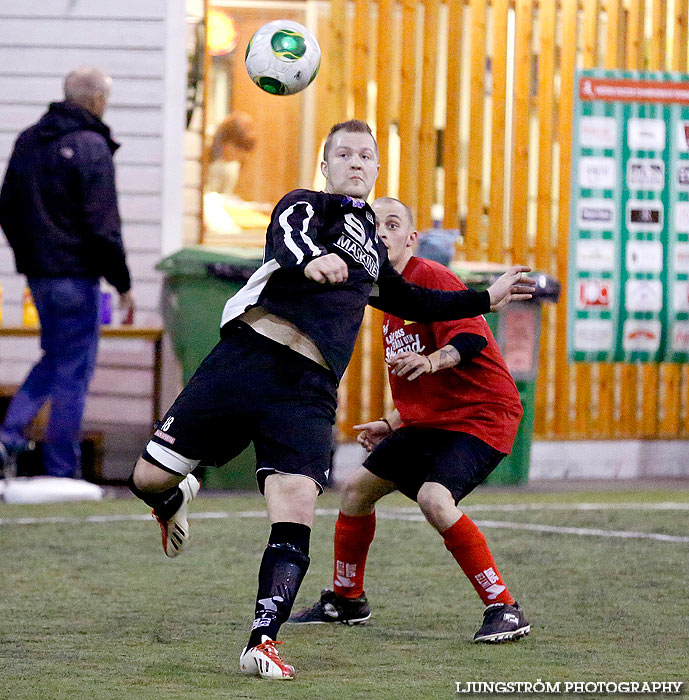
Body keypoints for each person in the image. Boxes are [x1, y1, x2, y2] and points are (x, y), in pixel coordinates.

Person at [128, 120, 534, 680]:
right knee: (146, 479)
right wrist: (309, 261)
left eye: (366, 155)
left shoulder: (371, 253)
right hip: (246, 361)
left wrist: (486, 296)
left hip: (308, 391)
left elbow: (414, 297)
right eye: (344, 154)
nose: (356, 162)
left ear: (375, 168)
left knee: (297, 510)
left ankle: (261, 641)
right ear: (327, 166)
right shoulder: (306, 206)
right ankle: (172, 498)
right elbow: (285, 237)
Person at [290, 196, 530, 644]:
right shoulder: (384, 292)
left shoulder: (432, 277)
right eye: (372, 225)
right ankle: (347, 599)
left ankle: (505, 608)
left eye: (393, 224)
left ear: (410, 239)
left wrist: (434, 361)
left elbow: (471, 340)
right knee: (357, 491)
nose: (381, 232)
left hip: (482, 417)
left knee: (435, 500)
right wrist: (394, 421)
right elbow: (424, 382)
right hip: (431, 422)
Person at [0, 66, 134, 479]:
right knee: (74, 369)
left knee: (56, 358)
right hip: (76, 278)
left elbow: (7, 208)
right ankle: (60, 468)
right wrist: (123, 283)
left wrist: (31, 259)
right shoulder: (91, 145)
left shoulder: (28, 140)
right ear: (96, 101)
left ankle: (8, 434)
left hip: (39, 277)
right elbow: (103, 225)